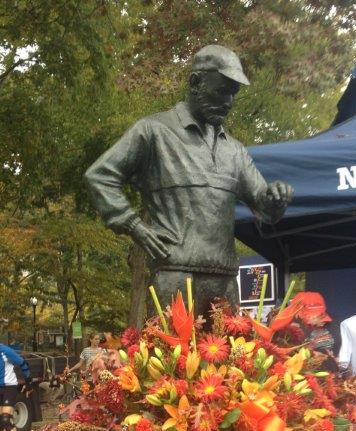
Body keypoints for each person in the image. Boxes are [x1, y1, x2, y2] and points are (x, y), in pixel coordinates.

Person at [84, 45, 294, 319]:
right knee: (171, 361)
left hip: (225, 279)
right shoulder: (154, 131)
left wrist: (276, 199)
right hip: (175, 274)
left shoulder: (234, 150)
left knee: (230, 359)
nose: (229, 101)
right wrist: (135, 226)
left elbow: (264, 208)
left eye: (233, 94)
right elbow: (100, 176)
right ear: (195, 83)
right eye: (222, 91)